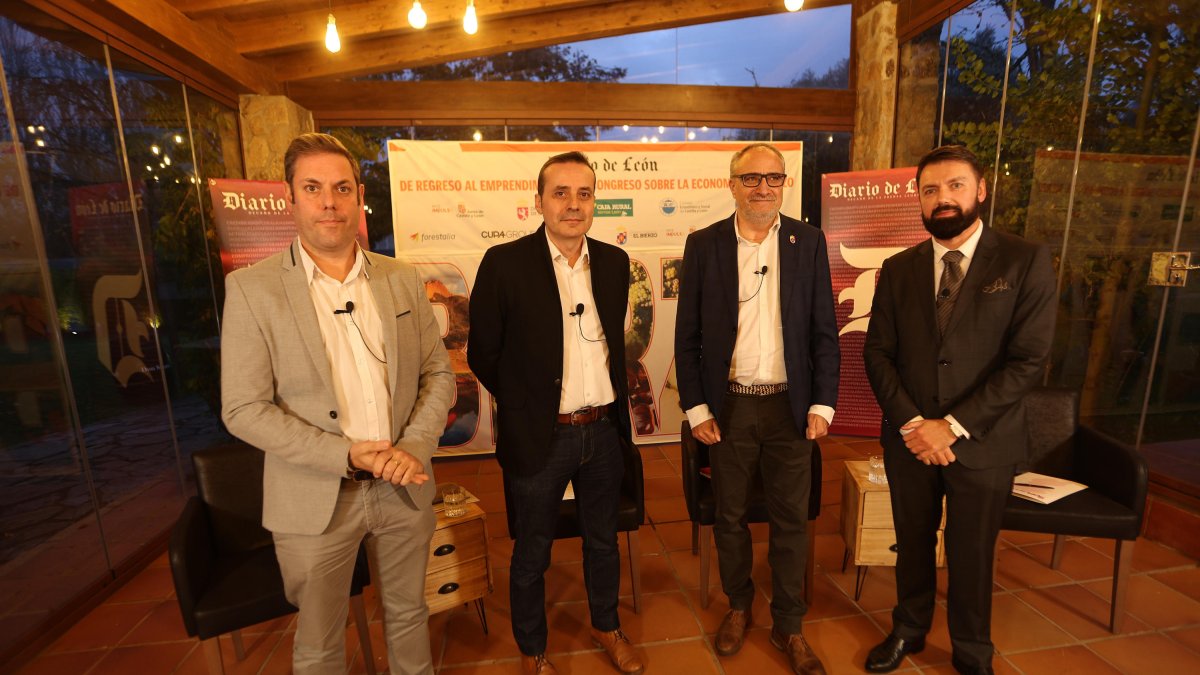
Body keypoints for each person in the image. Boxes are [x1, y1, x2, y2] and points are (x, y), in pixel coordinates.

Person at [221, 132, 454, 674]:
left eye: (341, 188)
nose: (329, 201)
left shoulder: (400, 279)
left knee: (408, 616)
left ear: (358, 197)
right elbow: (242, 408)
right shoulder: (252, 290)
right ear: (291, 199)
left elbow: (436, 373)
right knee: (321, 643)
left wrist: (414, 447)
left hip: (404, 486)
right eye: (313, 187)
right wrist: (345, 455)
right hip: (313, 497)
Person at [862, 145, 1056, 675]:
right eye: (930, 190)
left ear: (981, 190)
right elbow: (877, 352)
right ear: (918, 200)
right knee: (913, 542)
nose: (942, 198)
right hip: (909, 441)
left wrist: (948, 426)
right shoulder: (898, 268)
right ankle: (909, 629)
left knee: (972, 554)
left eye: (954, 186)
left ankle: (972, 652)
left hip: (983, 442)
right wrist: (912, 423)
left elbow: (1028, 360)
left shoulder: (1023, 259)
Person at [467, 151, 643, 675]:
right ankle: (533, 648)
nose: (573, 204)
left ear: (594, 201)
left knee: (602, 542)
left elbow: (613, 344)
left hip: (603, 431)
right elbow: (483, 353)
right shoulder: (505, 263)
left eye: (583, 194)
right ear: (538, 201)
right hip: (542, 435)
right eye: (560, 193)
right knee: (532, 552)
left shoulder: (613, 263)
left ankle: (606, 626)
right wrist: (526, 405)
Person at [674, 142, 839, 675]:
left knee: (792, 520)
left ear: (784, 183)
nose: (763, 187)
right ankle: (740, 606)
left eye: (773, 178)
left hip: (791, 409)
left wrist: (823, 402)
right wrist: (697, 408)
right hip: (730, 408)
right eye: (751, 179)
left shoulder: (808, 242)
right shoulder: (704, 245)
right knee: (730, 516)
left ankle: (789, 624)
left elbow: (823, 333)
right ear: (732, 184)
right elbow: (689, 337)